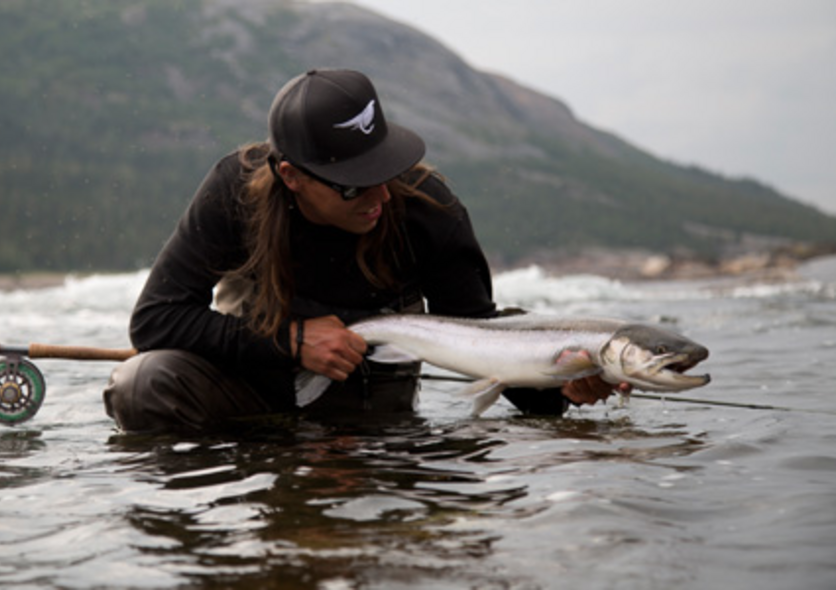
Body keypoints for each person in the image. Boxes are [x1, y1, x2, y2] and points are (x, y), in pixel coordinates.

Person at [103, 68, 624, 433]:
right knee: (140, 384)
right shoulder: (232, 191)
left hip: (370, 411)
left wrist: (559, 387)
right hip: (249, 388)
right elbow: (156, 321)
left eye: (385, 170)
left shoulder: (429, 210)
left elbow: (480, 340)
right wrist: (290, 342)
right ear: (291, 176)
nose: (379, 196)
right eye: (353, 185)